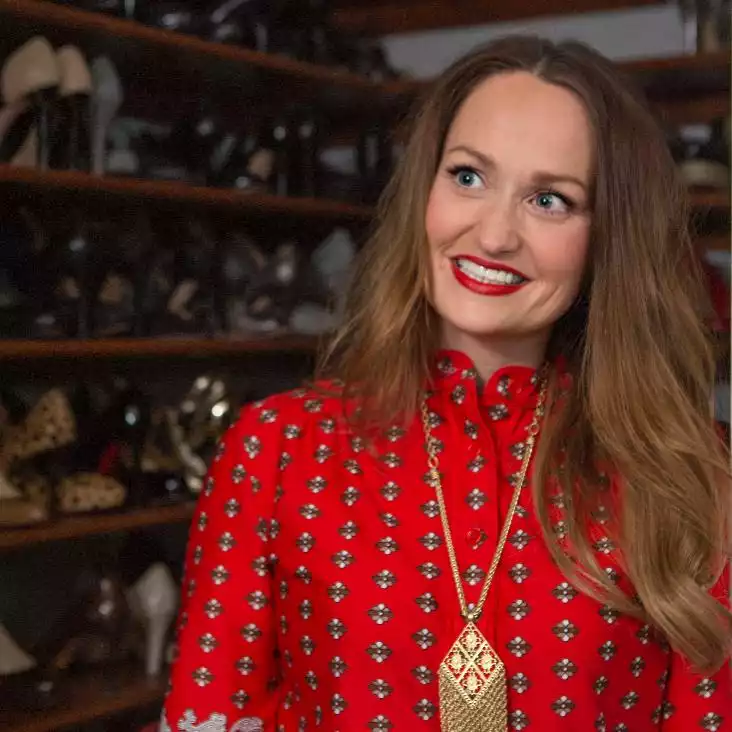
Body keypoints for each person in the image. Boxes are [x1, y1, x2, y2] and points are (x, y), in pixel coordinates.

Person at [160, 36, 731, 732]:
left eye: (549, 199)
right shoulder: (275, 451)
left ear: (607, 238)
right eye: (467, 176)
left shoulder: (691, 476)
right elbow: (209, 714)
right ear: (423, 191)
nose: (494, 235)